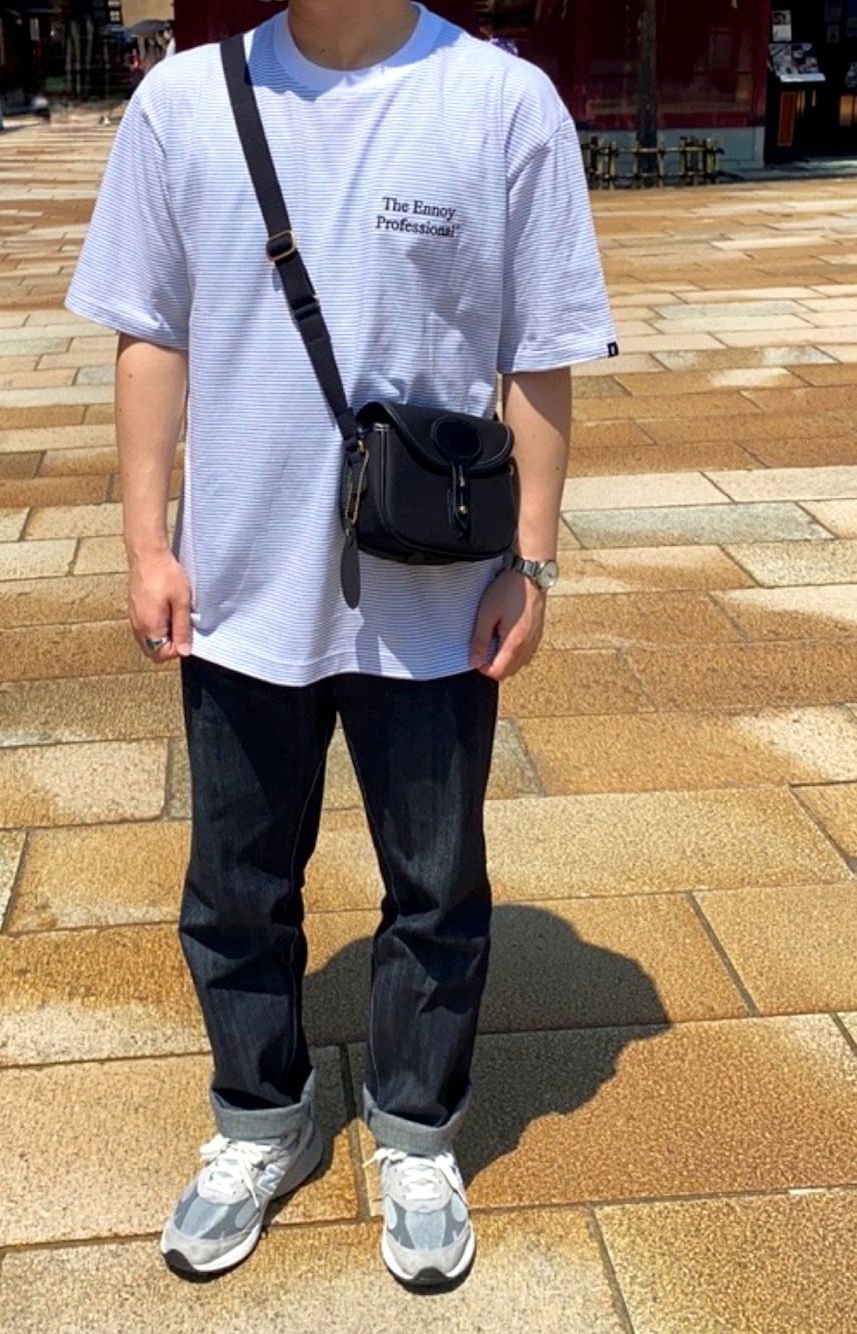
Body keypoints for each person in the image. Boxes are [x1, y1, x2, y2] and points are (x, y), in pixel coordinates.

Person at [66, 0, 615, 1288]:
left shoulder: (504, 105)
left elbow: (539, 351)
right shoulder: (183, 103)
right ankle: (262, 1115)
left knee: (435, 885)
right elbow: (152, 334)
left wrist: (532, 562)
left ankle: (416, 1130)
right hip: (239, 584)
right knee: (236, 884)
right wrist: (147, 545)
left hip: (435, 596)